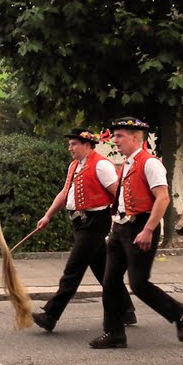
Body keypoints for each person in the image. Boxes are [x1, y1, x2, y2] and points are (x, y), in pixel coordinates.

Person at [89, 117, 183, 349]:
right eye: (114, 136)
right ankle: (114, 333)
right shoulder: (127, 163)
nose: (115, 140)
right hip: (121, 228)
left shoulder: (150, 163)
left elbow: (163, 198)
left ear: (135, 138)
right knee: (111, 282)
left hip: (141, 227)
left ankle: (181, 313)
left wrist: (148, 229)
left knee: (139, 283)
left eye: (120, 136)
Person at [32, 129, 136, 332]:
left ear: (87, 144)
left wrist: (126, 219)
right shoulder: (75, 166)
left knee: (73, 269)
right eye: (70, 144)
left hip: (95, 222)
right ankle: (126, 309)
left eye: (74, 144)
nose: (70, 148)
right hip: (80, 223)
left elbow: (119, 193)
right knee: (103, 269)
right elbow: (65, 193)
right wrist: (48, 216)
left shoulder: (102, 165)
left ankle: (51, 315)